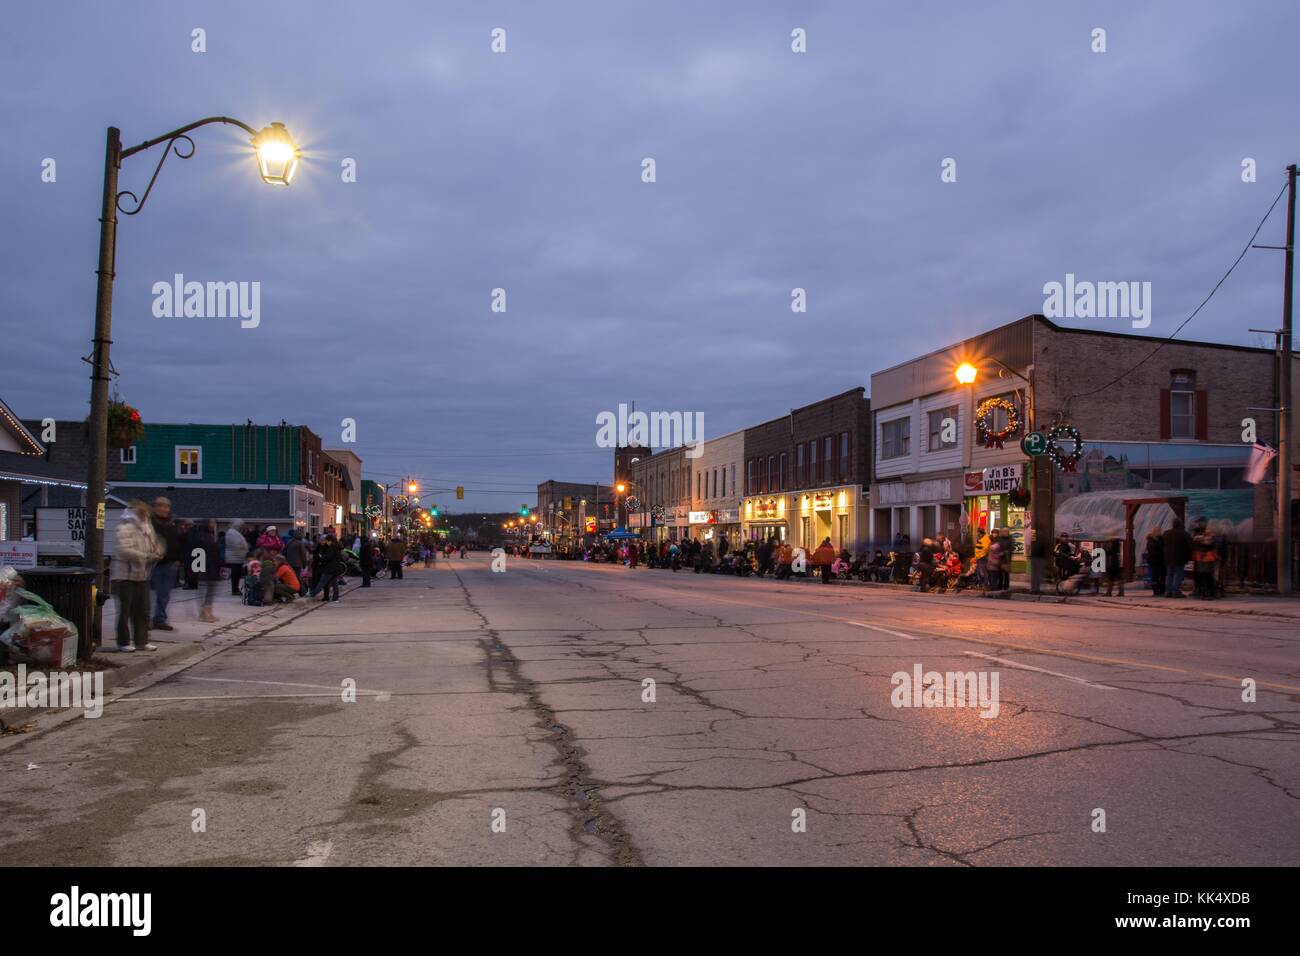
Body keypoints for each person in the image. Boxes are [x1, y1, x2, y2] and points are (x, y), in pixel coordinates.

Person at [108, 500, 163, 652]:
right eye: (143, 512)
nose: (146, 515)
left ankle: (142, 641)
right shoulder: (125, 527)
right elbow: (124, 550)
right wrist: (146, 556)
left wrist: (157, 551)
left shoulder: (147, 527)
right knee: (125, 611)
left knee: (142, 610)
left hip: (141, 575)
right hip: (124, 576)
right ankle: (123, 642)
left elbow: (154, 544)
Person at [149, 497, 183, 631]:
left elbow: (179, 542)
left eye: (166, 506)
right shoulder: (149, 523)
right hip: (153, 563)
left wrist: (178, 560)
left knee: (164, 594)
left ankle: (160, 619)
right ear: (154, 507)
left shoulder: (173, 523)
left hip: (170, 564)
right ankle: (146, 620)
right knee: (149, 594)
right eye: (160, 506)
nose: (163, 509)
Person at [194, 518, 223, 622]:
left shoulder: (209, 536)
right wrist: (200, 568)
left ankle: (207, 612)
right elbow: (199, 552)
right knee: (207, 590)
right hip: (206, 567)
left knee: (210, 590)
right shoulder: (202, 537)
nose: (213, 525)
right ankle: (204, 613)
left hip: (212, 566)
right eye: (211, 523)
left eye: (214, 523)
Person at [1162, 518, 1192, 598]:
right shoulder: (1184, 534)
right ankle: (1175, 592)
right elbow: (1190, 546)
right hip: (1180, 558)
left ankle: (1168, 592)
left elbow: (1162, 545)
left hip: (1168, 558)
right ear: (1180, 524)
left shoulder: (1166, 533)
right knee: (1178, 575)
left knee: (1169, 575)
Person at [310, 534, 346, 601]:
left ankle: (312, 594)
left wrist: (321, 557)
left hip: (330, 568)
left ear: (330, 541)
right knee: (334, 583)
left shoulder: (332, 547)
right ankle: (335, 597)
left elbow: (328, 557)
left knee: (322, 582)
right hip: (335, 568)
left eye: (327, 541)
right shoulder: (336, 547)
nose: (326, 542)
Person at [224, 519, 249, 596]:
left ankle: (236, 589)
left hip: (237, 557)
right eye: (241, 526)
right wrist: (243, 548)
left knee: (237, 575)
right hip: (234, 557)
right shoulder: (232, 533)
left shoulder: (235, 532)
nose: (242, 528)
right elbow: (237, 544)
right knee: (235, 575)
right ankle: (235, 590)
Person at [285, 528, 309, 596]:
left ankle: (295, 591)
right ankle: (302, 592)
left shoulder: (289, 542)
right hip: (297, 564)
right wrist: (304, 564)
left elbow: (284, 552)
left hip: (289, 563)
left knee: (291, 578)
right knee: (297, 578)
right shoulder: (300, 543)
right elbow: (303, 555)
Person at [1142, 528, 1165, 596]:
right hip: (1155, 560)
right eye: (1158, 531)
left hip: (1158, 560)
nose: (1159, 532)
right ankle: (1156, 590)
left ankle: (1161, 590)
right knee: (1156, 575)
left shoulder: (1159, 539)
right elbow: (1153, 551)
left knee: (1160, 575)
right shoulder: (1151, 540)